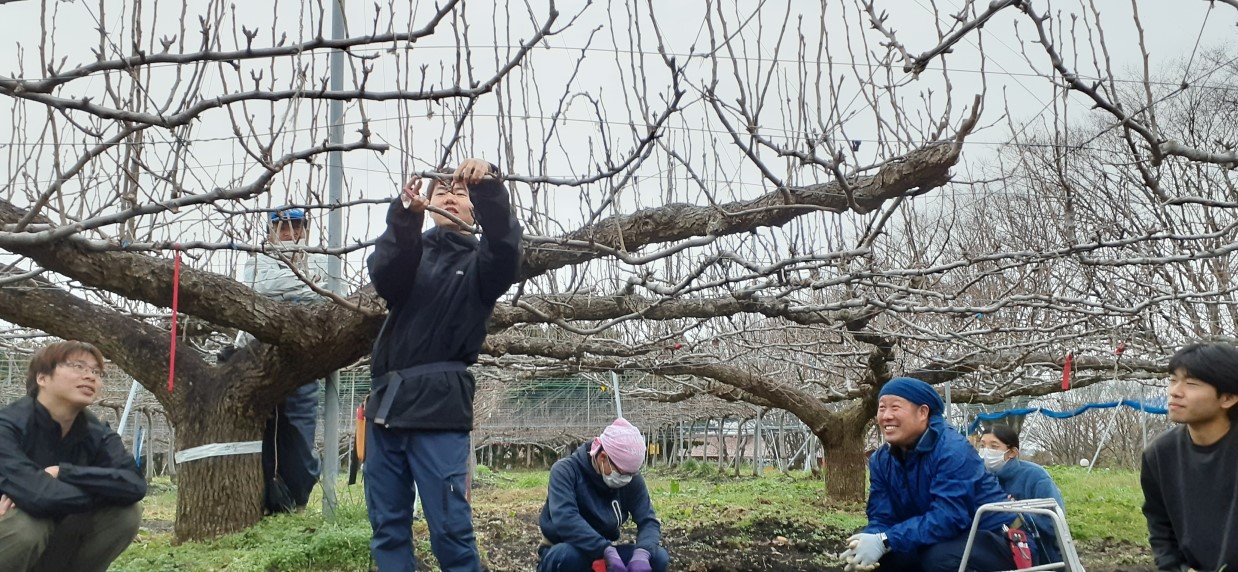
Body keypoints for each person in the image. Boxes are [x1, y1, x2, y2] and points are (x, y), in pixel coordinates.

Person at [365, 158, 523, 572]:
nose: (449, 197)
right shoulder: (411, 256)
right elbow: (385, 274)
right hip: (386, 408)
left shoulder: (481, 265)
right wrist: (403, 216)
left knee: (451, 531)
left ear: (473, 211)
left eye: (459, 193)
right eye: (439, 192)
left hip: (439, 410)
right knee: (387, 528)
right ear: (428, 204)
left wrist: (488, 185)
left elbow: (506, 248)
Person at [0, 341, 147, 571]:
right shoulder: (7, 426)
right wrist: (102, 492)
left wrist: (63, 473)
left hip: (55, 541)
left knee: (125, 515)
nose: (90, 376)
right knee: (28, 525)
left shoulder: (97, 433)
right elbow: (39, 496)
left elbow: (135, 484)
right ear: (42, 378)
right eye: (78, 366)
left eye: (96, 372)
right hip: (10, 538)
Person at [843, 377, 1016, 572]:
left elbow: (949, 517)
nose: (886, 416)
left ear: (923, 412)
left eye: (895, 408)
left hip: (998, 539)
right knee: (872, 554)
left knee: (940, 559)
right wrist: (870, 541)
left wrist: (885, 540)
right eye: (882, 408)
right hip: (942, 539)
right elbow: (882, 517)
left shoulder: (952, 450)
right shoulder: (882, 460)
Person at [236, 206, 329, 513]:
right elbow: (258, 288)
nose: (291, 233)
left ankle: (297, 501)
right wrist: (305, 284)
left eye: (298, 227)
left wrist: (282, 286)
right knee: (258, 436)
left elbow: (326, 292)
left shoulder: (323, 259)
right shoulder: (256, 260)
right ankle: (259, 502)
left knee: (300, 436)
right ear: (270, 231)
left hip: (301, 362)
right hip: (255, 358)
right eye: (284, 228)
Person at [1141, 342, 1238, 572]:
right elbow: (1160, 529)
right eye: (1173, 380)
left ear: (1228, 398)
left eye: (1192, 383)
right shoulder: (1159, 455)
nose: (1175, 391)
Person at [537, 418, 669, 572]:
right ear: (602, 457)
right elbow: (566, 519)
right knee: (568, 556)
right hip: (566, 547)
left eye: (631, 474)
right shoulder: (566, 471)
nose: (626, 479)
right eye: (622, 473)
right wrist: (605, 550)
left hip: (606, 552)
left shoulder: (632, 480)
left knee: (658, 557)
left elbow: (648, 521)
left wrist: (643, 552)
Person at [978, 423, 1066, 564]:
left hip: (1037, 549)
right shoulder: (979, 477)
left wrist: (1015, 514)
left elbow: (1054, 522)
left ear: (1012, 452)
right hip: (992, 544)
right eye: (982, 446)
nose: (986, 452)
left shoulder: (1035, 476)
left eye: (994, 447)